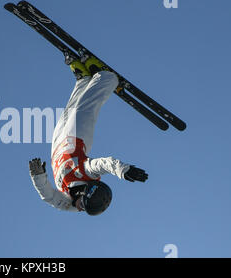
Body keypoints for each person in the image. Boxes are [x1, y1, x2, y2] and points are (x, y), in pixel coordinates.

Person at [28, 55, 148, 216]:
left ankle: (83, 80)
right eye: (83, 206)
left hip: (57, 146)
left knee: (69, 111)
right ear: (86, 193)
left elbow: (49, 197)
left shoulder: (67, 202)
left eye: (83, 208)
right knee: (85, 108)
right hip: (75, 138)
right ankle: (106, 78)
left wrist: (38, 177)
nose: (79, 209)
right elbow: (105, 164)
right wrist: (123, 170)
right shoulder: (87, 172)